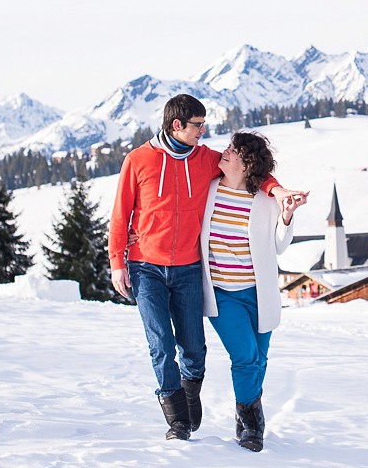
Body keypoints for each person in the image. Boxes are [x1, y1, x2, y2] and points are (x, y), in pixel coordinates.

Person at [109, 95, 307, 441]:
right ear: (177, 126)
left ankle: (213, 398)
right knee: (163, 343)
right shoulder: (139, 160)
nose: (205, 132)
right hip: (150, 267)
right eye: (199, 125)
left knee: (205, 351)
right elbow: (119, 213)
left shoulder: (207, 161)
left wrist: (279, 194)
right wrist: (117, 263)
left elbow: (255, 171)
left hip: (196, 271)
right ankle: (180, 421)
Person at [200, 131, 302, 452]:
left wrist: (286, 215)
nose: (225, 152)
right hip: (222, 294)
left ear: (247, 165)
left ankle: (244, 410)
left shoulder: (264, 200)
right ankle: (252, 422)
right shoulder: (208, 192)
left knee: (259, 359)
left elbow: (279, 245)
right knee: (244, 357)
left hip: (260, 294)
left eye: (234, 151)